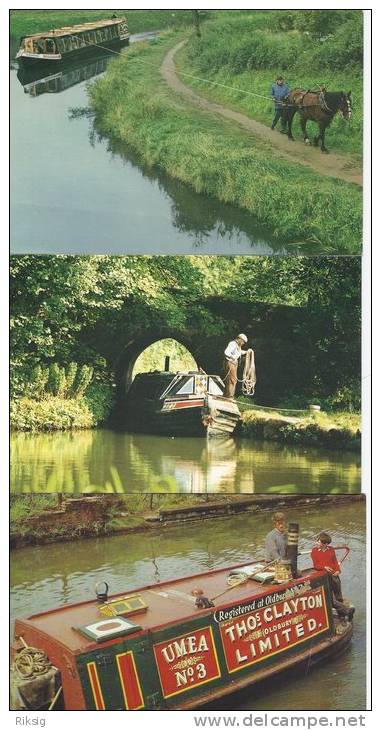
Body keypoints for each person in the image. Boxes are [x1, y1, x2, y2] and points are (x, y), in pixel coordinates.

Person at [311, 532, 355, 621]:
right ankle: (347, 612)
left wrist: (338, 570)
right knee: (329, 597)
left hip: (334, 575)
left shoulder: (331, 549)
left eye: (318, 542)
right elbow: (315, 565)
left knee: (338, 595)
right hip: (324, 577)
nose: (316, 543)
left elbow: (335, 562)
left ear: (325, 544)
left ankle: (342, 616)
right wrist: (324, 567)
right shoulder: (314, 551)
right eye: (317, 541)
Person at [223, 333, 249, 398]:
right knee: (232, 380)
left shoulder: (237, 346)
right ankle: (230, 397)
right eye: (243, 341)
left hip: (233, 364)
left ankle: (227, 395)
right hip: (231, 363)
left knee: (230, 379)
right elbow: (226, 352)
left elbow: (239, 352)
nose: (243, 343)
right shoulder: (233, 344)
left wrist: (247, 352)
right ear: (239, 339)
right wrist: (232, 358)